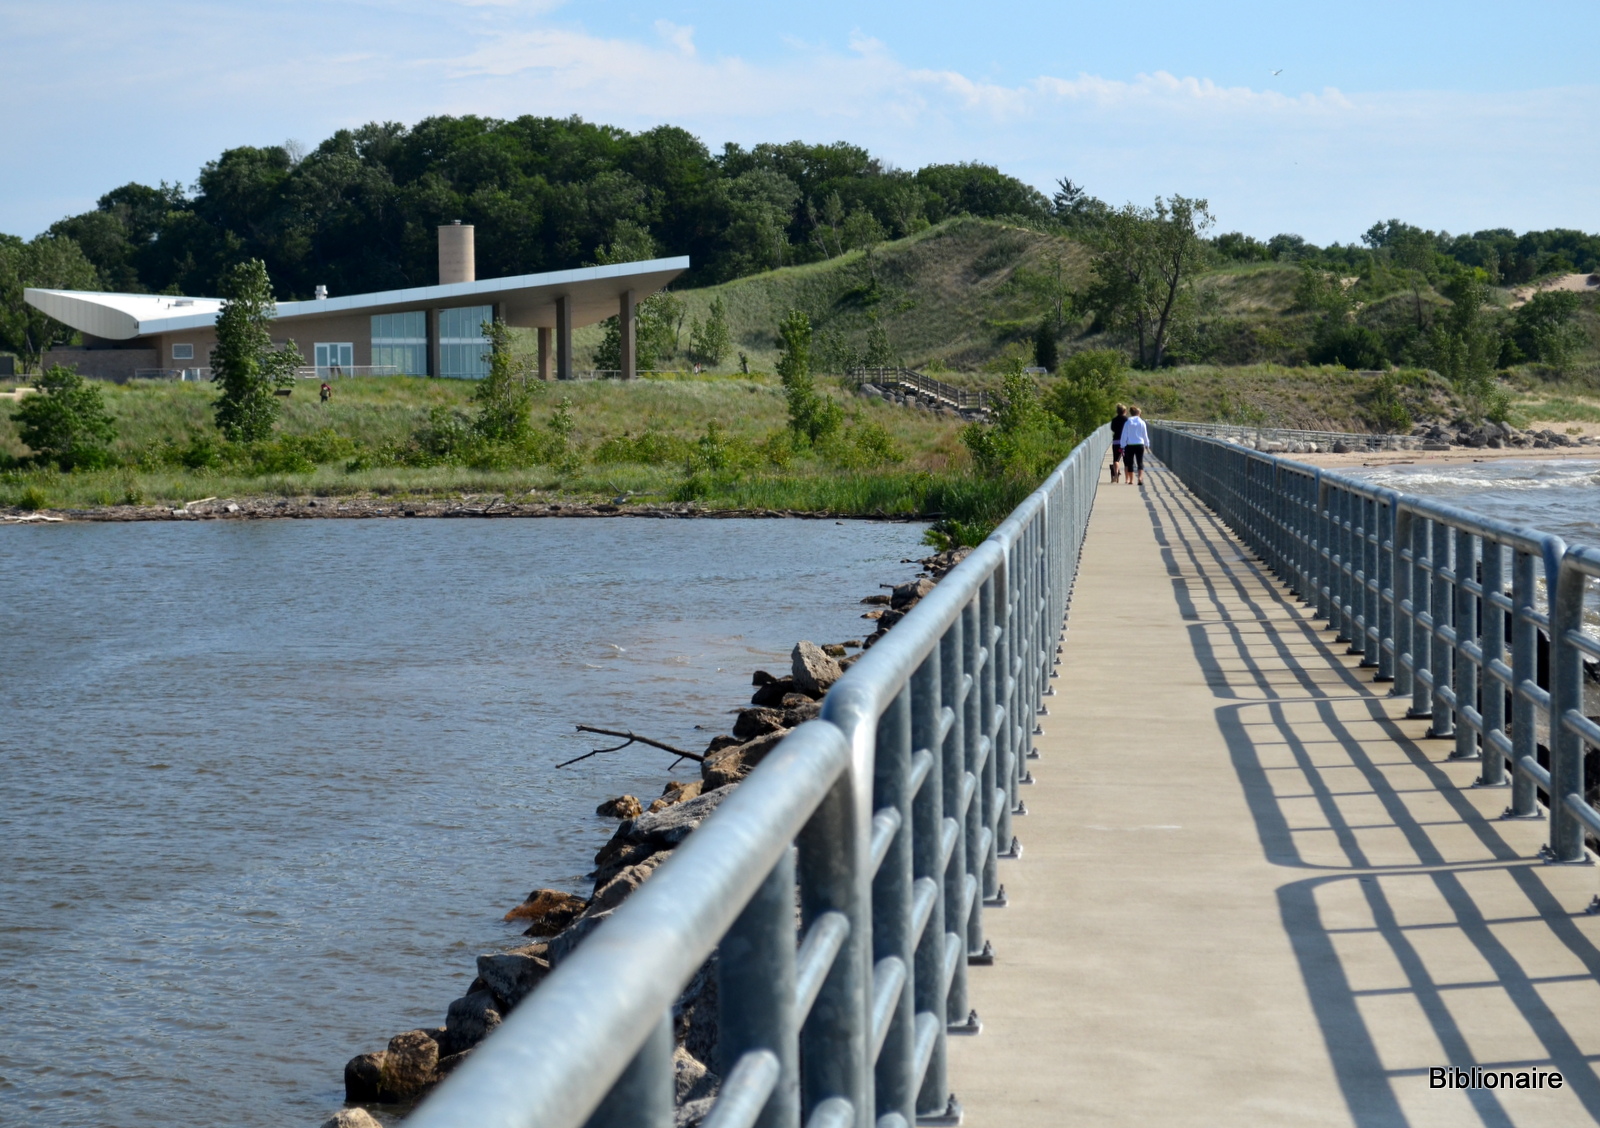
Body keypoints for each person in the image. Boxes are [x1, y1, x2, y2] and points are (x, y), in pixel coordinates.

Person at [1120, 406, 1149, 486]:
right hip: (1140, 444)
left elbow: (1124, 434)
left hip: (1130, 445)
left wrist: (1122, 445)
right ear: (1138, 413)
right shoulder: (1142, 422)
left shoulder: (1128, 422)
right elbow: (1144, 434)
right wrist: (1147, 444)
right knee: (1140, 462)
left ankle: (1131, 480)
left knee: (1130, 462)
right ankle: (1140, 477)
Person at [1109, 403, 1128, 482]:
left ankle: (1116, 475)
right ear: (1125, 411)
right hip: (1125, 442)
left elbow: (1112, 429)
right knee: (1126, 460)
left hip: (1116, 441)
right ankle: (1127, 479)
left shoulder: (1114, 420)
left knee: (1116, 459)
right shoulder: (1127, 420)